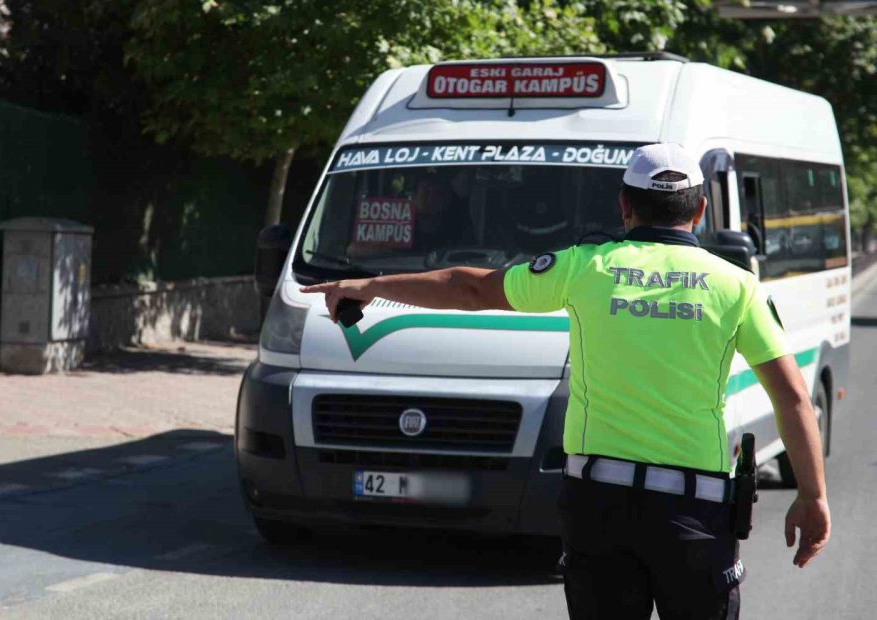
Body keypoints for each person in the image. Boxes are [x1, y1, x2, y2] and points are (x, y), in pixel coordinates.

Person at [301, 143, 831, 619]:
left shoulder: (584, 267)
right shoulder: (738, 288)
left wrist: (368, 285)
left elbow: (470, 289)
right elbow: (793, 399)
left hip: (597, 507)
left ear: (624, 206)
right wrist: (812, 495)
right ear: (700, 209)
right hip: (693, 515)